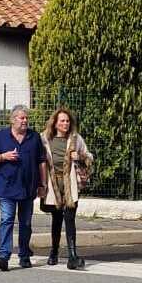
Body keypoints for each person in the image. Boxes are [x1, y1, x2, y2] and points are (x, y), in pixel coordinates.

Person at [0, 104, 47, 271]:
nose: (25, 121)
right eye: (22, 118)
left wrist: (42, 184)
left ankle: (24, 255)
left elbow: (41, 162)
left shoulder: (34, 137)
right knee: (7, 220)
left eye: (26, 118)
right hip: (6, 187)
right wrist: (3, 156)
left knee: (25, 223)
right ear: (13, 120)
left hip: (28, 188)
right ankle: (3, 255)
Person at [40, 107, 93, 270]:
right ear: (55, 123)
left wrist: (81, 157)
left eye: (68, 121)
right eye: (62, 120)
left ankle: (72, 256)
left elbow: (90, 156)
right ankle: (54, 252)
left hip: (70, 185)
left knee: (70, 219)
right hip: (53, 185)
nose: (65, 123)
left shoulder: (76, 139)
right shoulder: (44, 139)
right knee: (56, 219)